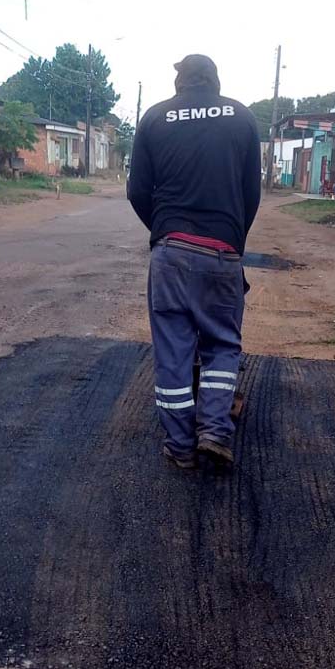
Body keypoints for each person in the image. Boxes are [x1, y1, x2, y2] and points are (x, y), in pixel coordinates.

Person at [128, 54, 261, 470]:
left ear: (179, 82)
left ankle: (181, 446)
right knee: (222, 345)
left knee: (173, 350)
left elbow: (136, 191)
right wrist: (233, 239)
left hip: (169, 252)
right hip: (223, 251)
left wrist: (163, 231)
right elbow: (251, 194)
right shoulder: (242, 118)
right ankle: (215, 431)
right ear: (215, 81)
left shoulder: (154, 119)